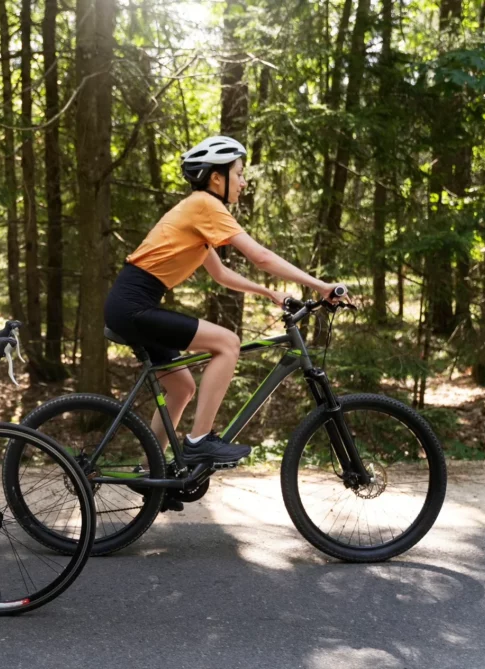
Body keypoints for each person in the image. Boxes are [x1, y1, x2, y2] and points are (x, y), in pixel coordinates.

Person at [104, 135, 349, 464]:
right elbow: (259, 256)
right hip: (133, 305)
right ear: (216, 177)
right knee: (228, 343)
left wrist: (270, 293)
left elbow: (221, 274)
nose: (243, 182)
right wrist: (320, 285)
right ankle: (199, 440)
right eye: (239, 173)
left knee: (182, 388)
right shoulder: (205, 205)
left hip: (130, 303)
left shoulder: (197, 213)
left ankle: (151, 474)